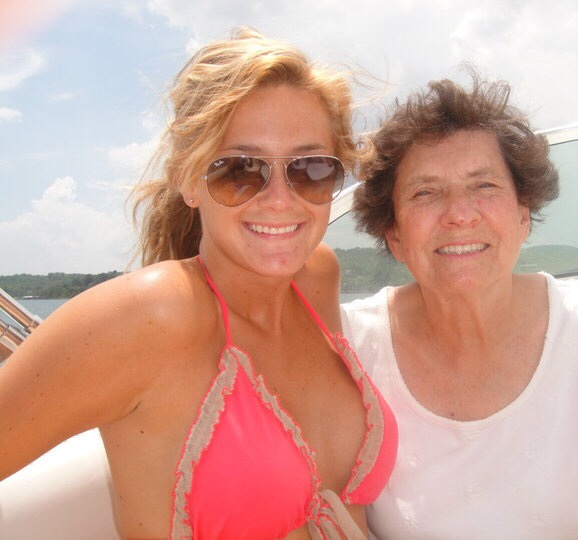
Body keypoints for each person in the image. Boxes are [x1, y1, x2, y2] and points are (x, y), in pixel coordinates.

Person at [0, 28, 397, 539]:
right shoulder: (148, 319)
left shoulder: (317, 275)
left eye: (310, 169)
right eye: (239, 170)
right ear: (190, 180)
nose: (281, 199)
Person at [341, 73, 578, 539]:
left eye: (484, 186)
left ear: (524, 215)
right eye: (425, 192)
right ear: (394, 234)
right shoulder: (352, 347)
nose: (460, 214)